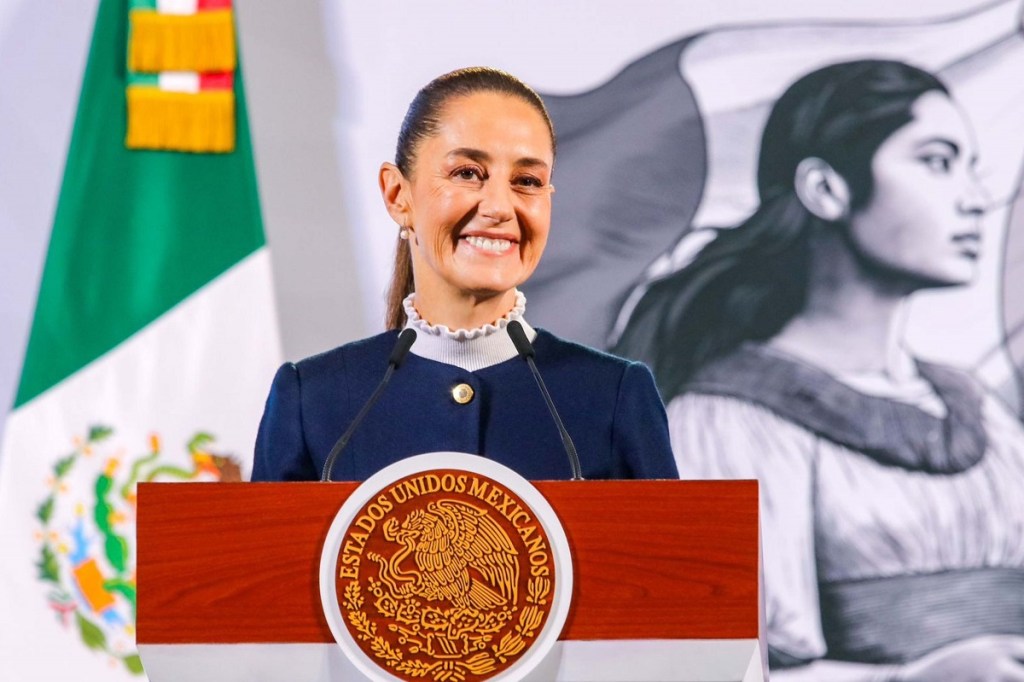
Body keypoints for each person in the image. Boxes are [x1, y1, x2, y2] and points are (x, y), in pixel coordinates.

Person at [615, 60, 1024, 680]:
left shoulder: (982, 411)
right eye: (938, 162)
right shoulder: (721, 420)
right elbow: (703, 668)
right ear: (826, 189)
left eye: (971, 167)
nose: (975, 198)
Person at [252, 67, 677, 483]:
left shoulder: (615, 397)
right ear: (398, 195)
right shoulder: (312, 400)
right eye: (467, 173)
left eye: (527, 180)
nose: (499, 207)